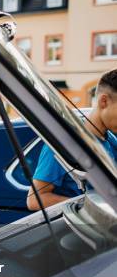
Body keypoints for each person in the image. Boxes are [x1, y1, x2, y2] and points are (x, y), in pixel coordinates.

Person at [27, 69, 117, 211]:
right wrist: (90, 208)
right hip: (79, 230)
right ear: (104, 101)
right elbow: (34, 199)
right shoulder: (67, 141)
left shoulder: (111, 139)